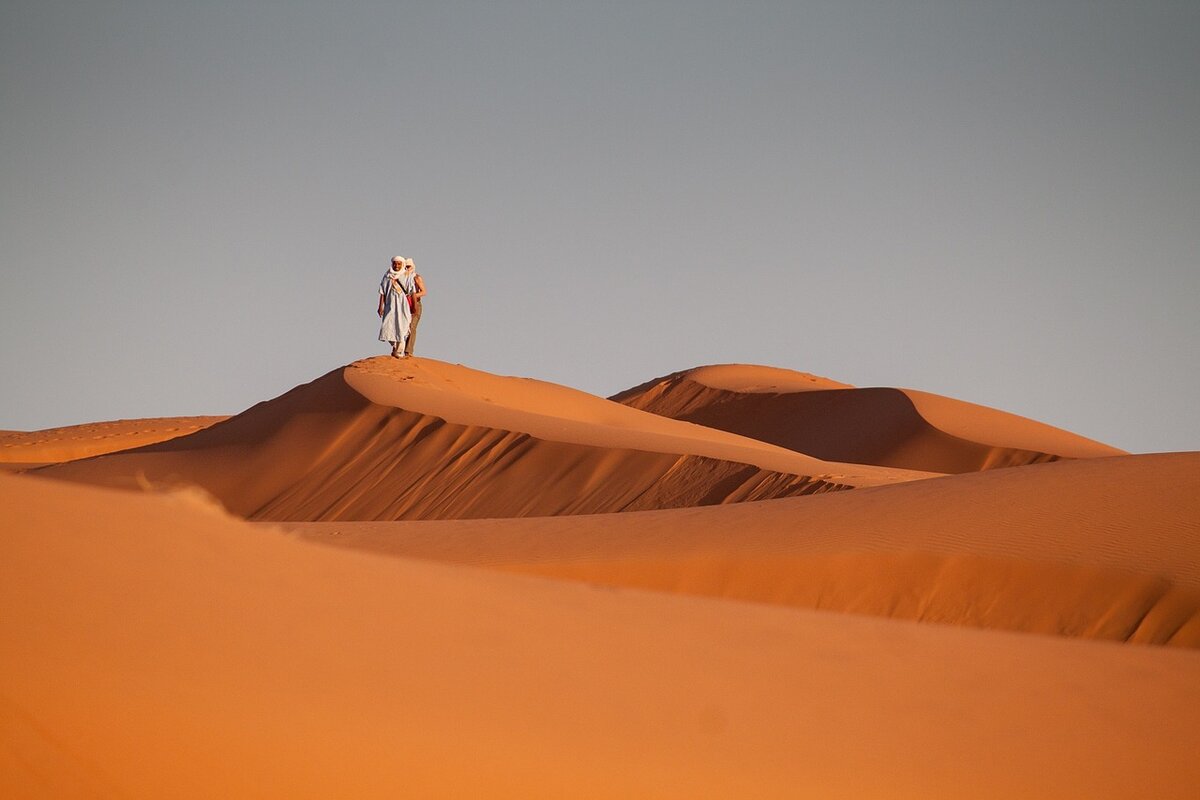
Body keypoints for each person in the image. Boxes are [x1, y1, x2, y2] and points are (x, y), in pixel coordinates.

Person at [377, 256, 414, 358]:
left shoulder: (406, 275)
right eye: (395, 264)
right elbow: (382, 292)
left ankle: (399, 351)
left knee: (403, 326)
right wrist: (381, 306)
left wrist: (414, 306)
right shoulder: (387, 276)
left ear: (402, 265)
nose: (396, 266)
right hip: (390, 306)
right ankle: (394, 346)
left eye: (399, 264)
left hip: (403, 306)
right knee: (388, 325)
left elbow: (412, 292)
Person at [403, 257, 426, 357]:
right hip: (404, 305)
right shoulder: (401, 278)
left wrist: (412, 296)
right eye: (405, 267)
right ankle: (399, 350)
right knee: (403, 327)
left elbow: (424, 292)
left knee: (412, 327)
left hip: (415, 304)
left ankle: (408, 351)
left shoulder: (416, 277)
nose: (407, 269)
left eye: (408, 266)